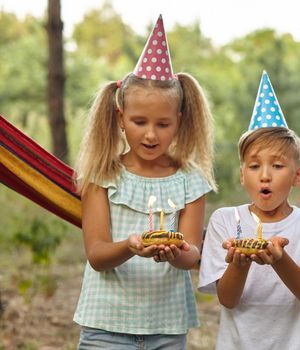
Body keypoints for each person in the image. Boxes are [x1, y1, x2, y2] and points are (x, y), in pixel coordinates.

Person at [73, 15, 216, 349]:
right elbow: (96, 254)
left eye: (163, 124)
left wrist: (174, 251)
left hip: (165, 328)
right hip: (105, 326)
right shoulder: (102, 175)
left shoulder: (190, 181)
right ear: (121, 117)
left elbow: (192, 255)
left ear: (179, 121)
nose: (151, 134)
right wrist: (131, 246)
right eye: (139, 121)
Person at [198, 71, 300, 350]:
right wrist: (240, 262)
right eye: (254, 166)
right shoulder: (225, 221)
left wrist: (279, 259)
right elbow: (227, 299)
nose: (265, 176)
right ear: (242, 175)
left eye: (277, 165)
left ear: (297, 176)